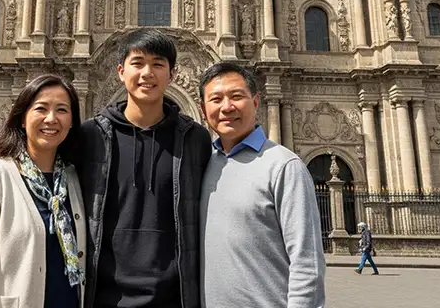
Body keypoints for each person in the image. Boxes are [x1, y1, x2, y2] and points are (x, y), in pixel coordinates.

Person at [78, 29, 212, 308]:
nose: (147, 73)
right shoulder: (89, 137)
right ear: (120, 71)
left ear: (173, 74)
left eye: (158, 64)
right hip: (103, 298)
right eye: (137, 63)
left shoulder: (195, 138)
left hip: (174, 298)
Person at [198, 62, 325, 307]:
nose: (227, 107)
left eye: (236, 96)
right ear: (203, 110)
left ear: (256, 102)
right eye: (216, 99)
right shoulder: (203, 165)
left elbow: (307, 264)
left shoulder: (284, 166)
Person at [0, 74, 87, 308]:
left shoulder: (75, 181)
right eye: (41, 108)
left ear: (71, 122)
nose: (51, 119)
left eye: (62, 110)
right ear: (23, 119)